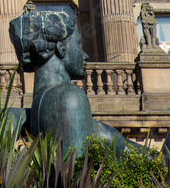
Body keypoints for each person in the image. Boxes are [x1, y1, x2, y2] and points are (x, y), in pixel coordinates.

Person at [9, 9, 170, 161]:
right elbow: (74, 172)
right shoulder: (67, 96)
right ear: (61, 48)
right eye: (79, 44)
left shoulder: (38, 106)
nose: (85, 55)